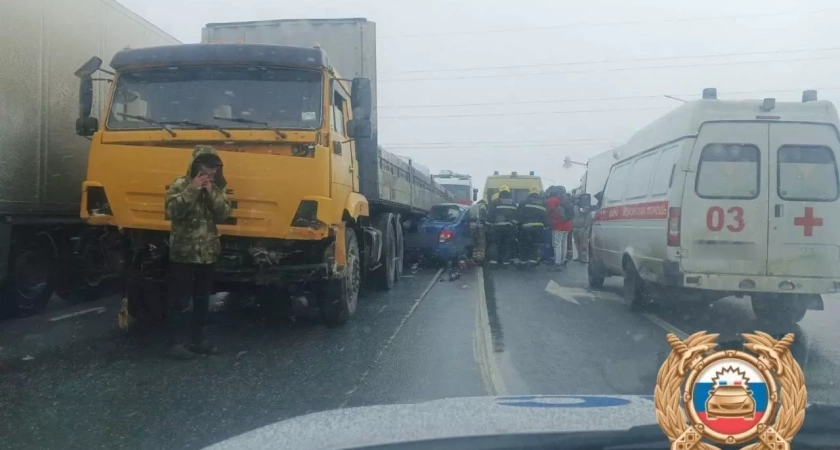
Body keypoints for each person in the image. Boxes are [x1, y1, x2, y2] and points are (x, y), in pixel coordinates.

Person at [163, 145, 232, 359]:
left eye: (214, 167)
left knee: (202, 299)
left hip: (207, 253)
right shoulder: (180, 184)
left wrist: (211, 193)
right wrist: (193, 189)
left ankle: (199, 340)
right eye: (205, 165)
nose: (210, 171)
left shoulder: (217, 189)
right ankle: (175, 343)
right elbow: (171, 211)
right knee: (180, 300)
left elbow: (224, 215)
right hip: (183, 254)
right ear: (194, 165)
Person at [516, 186, 550, 268]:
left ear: (530, 193)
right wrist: (546, 226)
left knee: (524, 245)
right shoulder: (543, 204)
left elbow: (519, 215)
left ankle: (523, 263)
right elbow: (546, 217)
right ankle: (533, 262)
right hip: (538, 228)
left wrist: (518, 226)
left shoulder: (524, 202)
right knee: (535, 245)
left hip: (526, 228)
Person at [487, 185, 518, 267]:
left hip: (497, 228)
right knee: (507, 245)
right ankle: (506, 263)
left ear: (500, 192)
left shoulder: (495, 202)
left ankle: (494, 262)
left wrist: (488, 224)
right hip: (509, 228)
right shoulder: (513, 203)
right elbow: (516, 216)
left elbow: (490, 216)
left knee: (495, 244)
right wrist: (513, 225)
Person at [545, 186, 573, 271]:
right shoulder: (564, 200)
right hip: (567, 224)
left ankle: (557, 263)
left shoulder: (551, 200)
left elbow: (549, 212)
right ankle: (562, 261)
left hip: (557, 225)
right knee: (563, 244)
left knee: (557, 244)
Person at [571, 193, 593, 263]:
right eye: (575, 199)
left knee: (583, 244)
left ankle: (584, 257)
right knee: (577, 243)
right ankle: (579, 256)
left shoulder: (585, 207)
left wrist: (585, 227)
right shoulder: (574, 207)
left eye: (577, 199)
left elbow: (589, 217)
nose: (576, 200)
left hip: (582, 228)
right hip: (575, 227)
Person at [469, 199, 488, 264]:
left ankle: (474, 258)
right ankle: (480, 259)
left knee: (475, 243)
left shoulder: (473, 207)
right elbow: (485, 216)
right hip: (479, 227)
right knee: (481, 243)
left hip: (471, 227)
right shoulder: (483, 206)